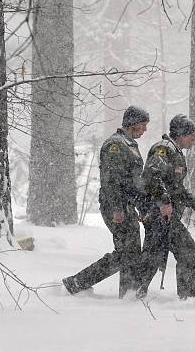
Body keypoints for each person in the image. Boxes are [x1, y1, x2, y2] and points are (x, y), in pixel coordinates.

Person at [62, 106, 149, 298]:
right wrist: (117, 208)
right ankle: (78, 282)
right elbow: (111, 180)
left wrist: (140, 206)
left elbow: (133, 182)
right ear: (133, 124)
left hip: (127, 205)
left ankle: (129, 292)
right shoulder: (115, 145)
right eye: (142, 125)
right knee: (125, 252)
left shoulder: (130, 145)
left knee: (131, 251)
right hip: (115, 206)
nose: (144, 130)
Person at [136, 114, 195, 300]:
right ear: (181, 134)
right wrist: (165, 202)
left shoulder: (175, 152)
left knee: (151, 257)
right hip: (159, 215)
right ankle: (186, 299)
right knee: (190, 254)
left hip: (162, 216)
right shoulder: (164, 149)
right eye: (192, 135)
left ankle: (134, 294)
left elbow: (176, 188)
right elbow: (152, 176)